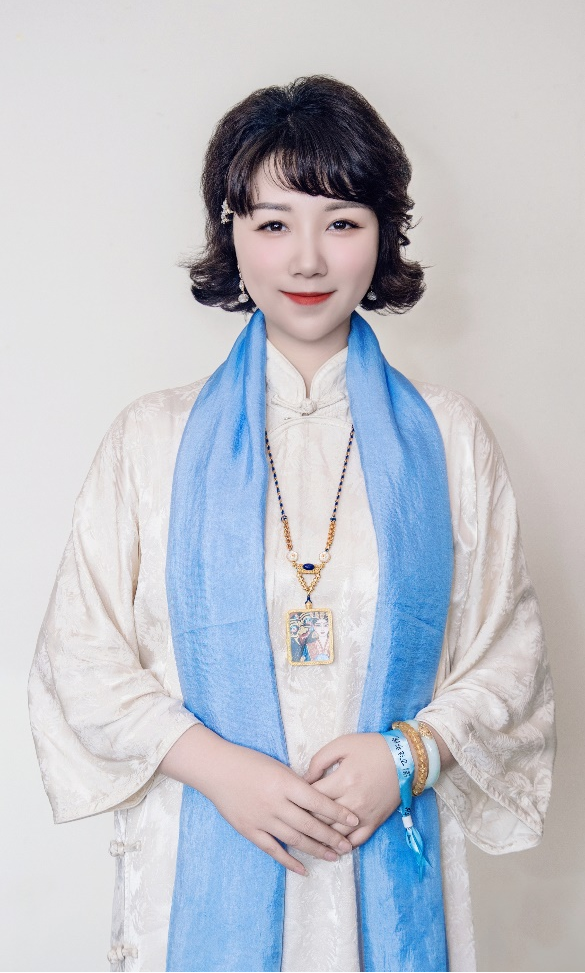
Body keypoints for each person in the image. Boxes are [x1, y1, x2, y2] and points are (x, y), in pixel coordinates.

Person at [28, 75, 556, 973]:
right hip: (200, 851)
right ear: (229, 233)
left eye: (340, 221)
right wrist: (222, 769)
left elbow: (509, 650)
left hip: (386, 840)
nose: (307, 260)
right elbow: (79, 656)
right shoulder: (150, 440)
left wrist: (409, 755)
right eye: (273, 223)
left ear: (382, 233)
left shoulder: (449, 438)